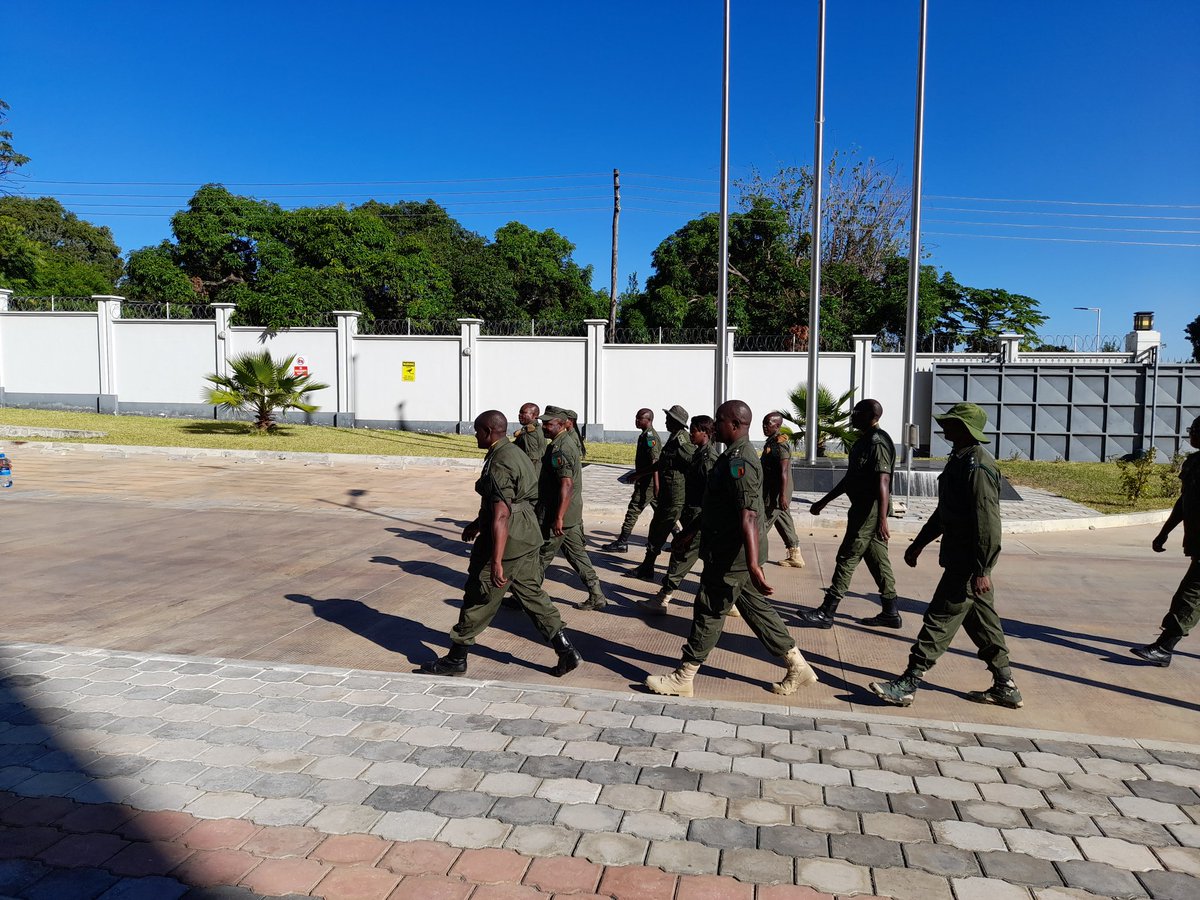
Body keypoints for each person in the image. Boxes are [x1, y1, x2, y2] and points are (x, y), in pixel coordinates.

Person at [644, 400, 819, 698]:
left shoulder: (742, 462)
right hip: (728, 549)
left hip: (732, 555)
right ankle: (797, 665)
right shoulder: (731, 456)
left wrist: (753, 564)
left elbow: (748, 515)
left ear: (735, 425)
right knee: (756, 609)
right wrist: (689, 533)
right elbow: (717, 506)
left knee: (709, 609)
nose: (715, 425)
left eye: (719, 420)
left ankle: (684, 677)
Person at [869, 403, 1022, 709]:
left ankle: (909, 682)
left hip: (967, 564)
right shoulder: (960, 459)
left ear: (964, 429)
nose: (944, 427)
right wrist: (919, 543)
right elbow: (945, 512)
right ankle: (1005, 686)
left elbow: (988, 523)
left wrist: (983, 569)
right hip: (961, 559)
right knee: (984, 626)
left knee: (939, 619)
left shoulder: (978, 466)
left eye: (951, 423)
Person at [419, 410, 582, 678]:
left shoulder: (500, 461)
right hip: (527, 536)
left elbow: (502, 513)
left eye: (477, 431)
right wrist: (477, 523)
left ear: (487, 431)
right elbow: (509, 500)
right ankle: (566, 650)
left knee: (479, 596)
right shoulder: (513, 451)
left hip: (509, 540)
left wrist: (495, 561)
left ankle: (456, 658)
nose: (475, 436)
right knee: (532, 595)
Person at [797, 399, 902, 629]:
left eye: (857, 412)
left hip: (869, 511)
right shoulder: (863, 441)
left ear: (871, 415)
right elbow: (850, 479)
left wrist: (882, 519)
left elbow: (883, 480)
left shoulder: (877, 442)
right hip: (862, 509)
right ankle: (890, 611)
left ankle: (827, 611)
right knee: (877, 560)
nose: (852, 416)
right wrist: (823, 501)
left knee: (848, 556)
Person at [1131, 416, 1200, 666]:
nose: (1191, 434)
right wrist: (1165, 531)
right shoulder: (1194, 463)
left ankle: (1164, 647)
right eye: (1192, 429)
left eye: (1196, 430)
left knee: (1189, 596)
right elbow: (1184, 502)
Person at [642, 415, 716, 615]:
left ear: (705, 433)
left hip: (699, 516)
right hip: (693, 513)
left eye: (694, 430)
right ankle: (732, 602)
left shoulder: (708, 459)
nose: (690, 433)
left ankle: (662, 598)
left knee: (681, 556)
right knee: (712, 562)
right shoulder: (699, 454)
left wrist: (693, 528)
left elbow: (711, 496)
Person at [538, 405, 607, 611]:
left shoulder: (561, 448)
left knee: (540, 557)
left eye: (548, 424)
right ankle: (596, 594)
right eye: (543, 423)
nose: (544, 427)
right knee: (577, 555)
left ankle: (525, 595)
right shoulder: (562, 442)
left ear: (560, 425)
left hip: (559, 515)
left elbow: (566, 484)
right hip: (570, 514)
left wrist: (559, 517)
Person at [630, 404, 694, 581]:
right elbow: (662, 463)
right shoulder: (674, 438)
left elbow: (693, 462)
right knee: (656, 528)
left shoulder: (682, 441)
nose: (665, 421)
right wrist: (640, 473)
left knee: (661, 531)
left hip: (676, 495)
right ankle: (647, 567)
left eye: (668, 419)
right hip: (668, 494)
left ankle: (656, 571)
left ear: (676, 422)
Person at [601, 408, 661, 553]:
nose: (636, 421)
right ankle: (678, 537)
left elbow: (655, 463)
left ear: (649, 420)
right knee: (662, 511)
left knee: (633, 511)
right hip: (646, 481)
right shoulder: (644, 435)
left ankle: (622, 542)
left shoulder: (650, 437)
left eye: (640, 418)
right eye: (636, 418)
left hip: (647, 483)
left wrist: (656, 485)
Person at [761, 411, 805, 568]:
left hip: (777, 492)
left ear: (778, 425)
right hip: (775, 491)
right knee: (783, 520)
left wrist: (782, 496)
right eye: (763, 423)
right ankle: (795, 555)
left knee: (762, 523)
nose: (764, 426)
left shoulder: (780, 444)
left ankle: (747, 557)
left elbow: (784, 471)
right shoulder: (772, 442)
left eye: (768, 424)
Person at [512, 402, 545, 478]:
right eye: (519, 412)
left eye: (523, 413)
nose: (519, 415)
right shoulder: (529, 429)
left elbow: (532, 459)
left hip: (531, 475)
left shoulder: (531, 433)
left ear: (534, 416)